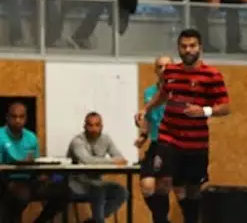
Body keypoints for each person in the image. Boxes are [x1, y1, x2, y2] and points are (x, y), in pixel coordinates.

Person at [136, 28, 231, 223]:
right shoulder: (171, 72)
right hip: (169, 137)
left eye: (192, 46)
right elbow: (163, 94)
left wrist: (204, 111)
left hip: (196, 143)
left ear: (200, 48)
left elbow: (225, 107)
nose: (188, 50)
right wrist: (146, 109)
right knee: (161, 181)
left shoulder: (211, 75)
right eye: (183, 46)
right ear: (178, 48)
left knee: (191, 190)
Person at [0, 102, 69, 223]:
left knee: (64, 192)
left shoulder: (31, 137)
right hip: (7, 180)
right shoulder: (1, 135)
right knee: (20, 196)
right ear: (7, 118)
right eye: (14, 116)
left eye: (21, 117)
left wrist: (42, 174)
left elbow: (36, 162)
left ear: (26, 118)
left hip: (29, 180)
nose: (18, 120)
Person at [66, 112, 129, 223]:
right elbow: (88, 161)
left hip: (96, 183)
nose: (94, 129)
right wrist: (113, 161)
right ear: (84, 126)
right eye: (90, 125)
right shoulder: (78, 141)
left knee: (122, 192)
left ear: (101, 126)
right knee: (99, 190)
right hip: (77, 184)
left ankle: (93, 222)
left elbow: (120, 157)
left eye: (97, 125)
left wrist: (116, 160)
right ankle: (98, 221)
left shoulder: (106, 139)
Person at [134, 55, 173, 223]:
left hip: (173, 145)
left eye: (167, 66)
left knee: (164, 186)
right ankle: (162, 220)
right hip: (156, 143)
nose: (163, 70)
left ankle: (160, 220)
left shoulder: (179, 92)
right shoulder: (149, 93)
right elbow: (149, 119)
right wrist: (143, 135)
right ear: (156, 70)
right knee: (147, 186)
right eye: (160, 66)